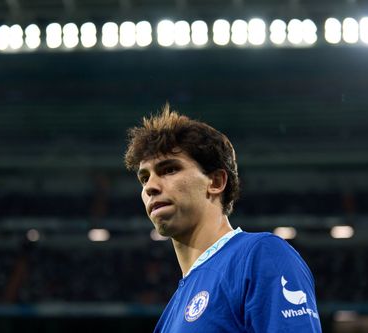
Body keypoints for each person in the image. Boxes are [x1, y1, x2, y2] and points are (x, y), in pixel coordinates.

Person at [124, 104, 322, 332]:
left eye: (169, 170)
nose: (151, 187)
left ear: (216, 182)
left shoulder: (260, 255)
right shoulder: (170, 315)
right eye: (144, 178)